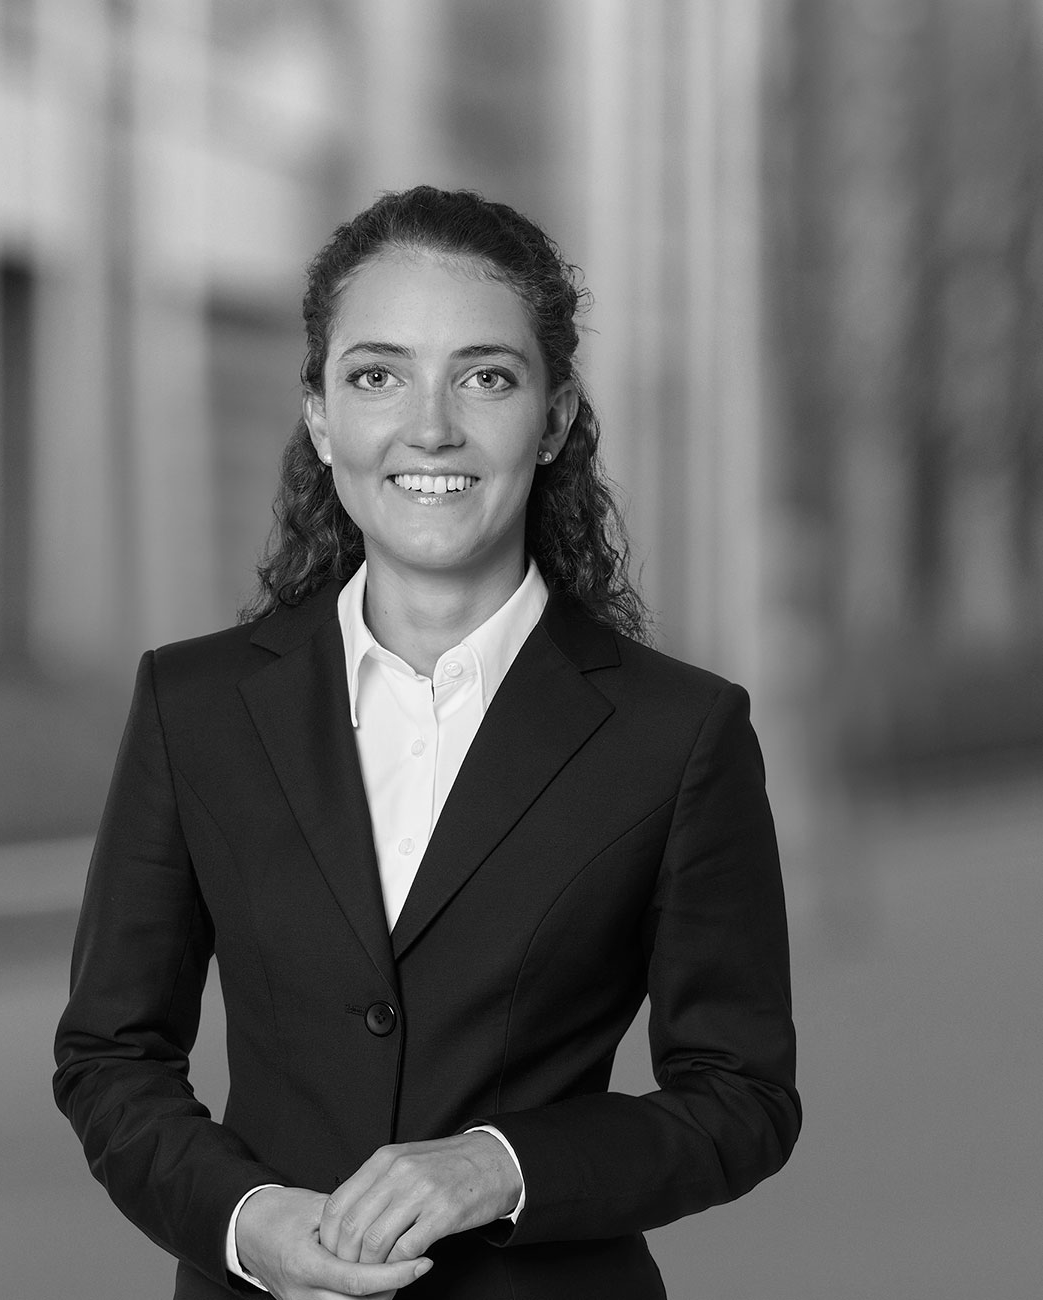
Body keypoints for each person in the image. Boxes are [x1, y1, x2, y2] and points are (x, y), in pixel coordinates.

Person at [53, 186, 799, 1299]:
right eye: (377, 375)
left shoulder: (679, 733)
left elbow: (741, 1097)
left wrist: (499, 1167)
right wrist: (247, 1223)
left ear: (552, 418)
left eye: (485, 376)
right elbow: (109, 1055)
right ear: (319, 417)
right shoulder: (194, 705)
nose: (431, 426)